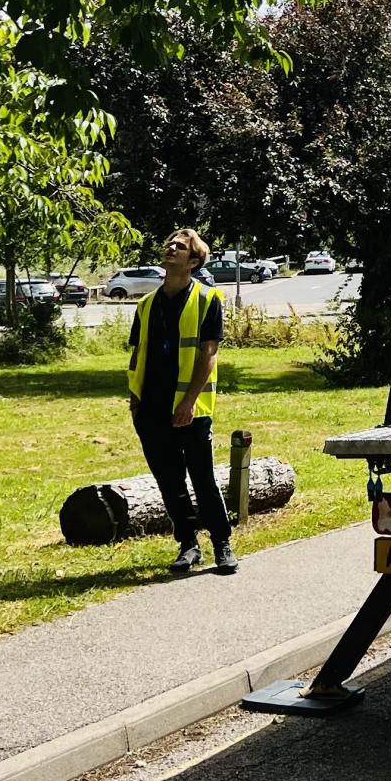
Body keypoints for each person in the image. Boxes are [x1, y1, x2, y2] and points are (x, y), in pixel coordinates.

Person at [126, 228, 235, 574]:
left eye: (180, 246)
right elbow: (137, 354)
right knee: (169, 482)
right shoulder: (145, 305)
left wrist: (187, 403)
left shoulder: (207, 299)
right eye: (168, 243)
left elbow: (208, 355)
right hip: (151, 408)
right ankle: (188, 544)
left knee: (202, 479)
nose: (171, 248)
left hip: (191, 409)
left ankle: (222, 544)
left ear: (193, 260)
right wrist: (135, 400)